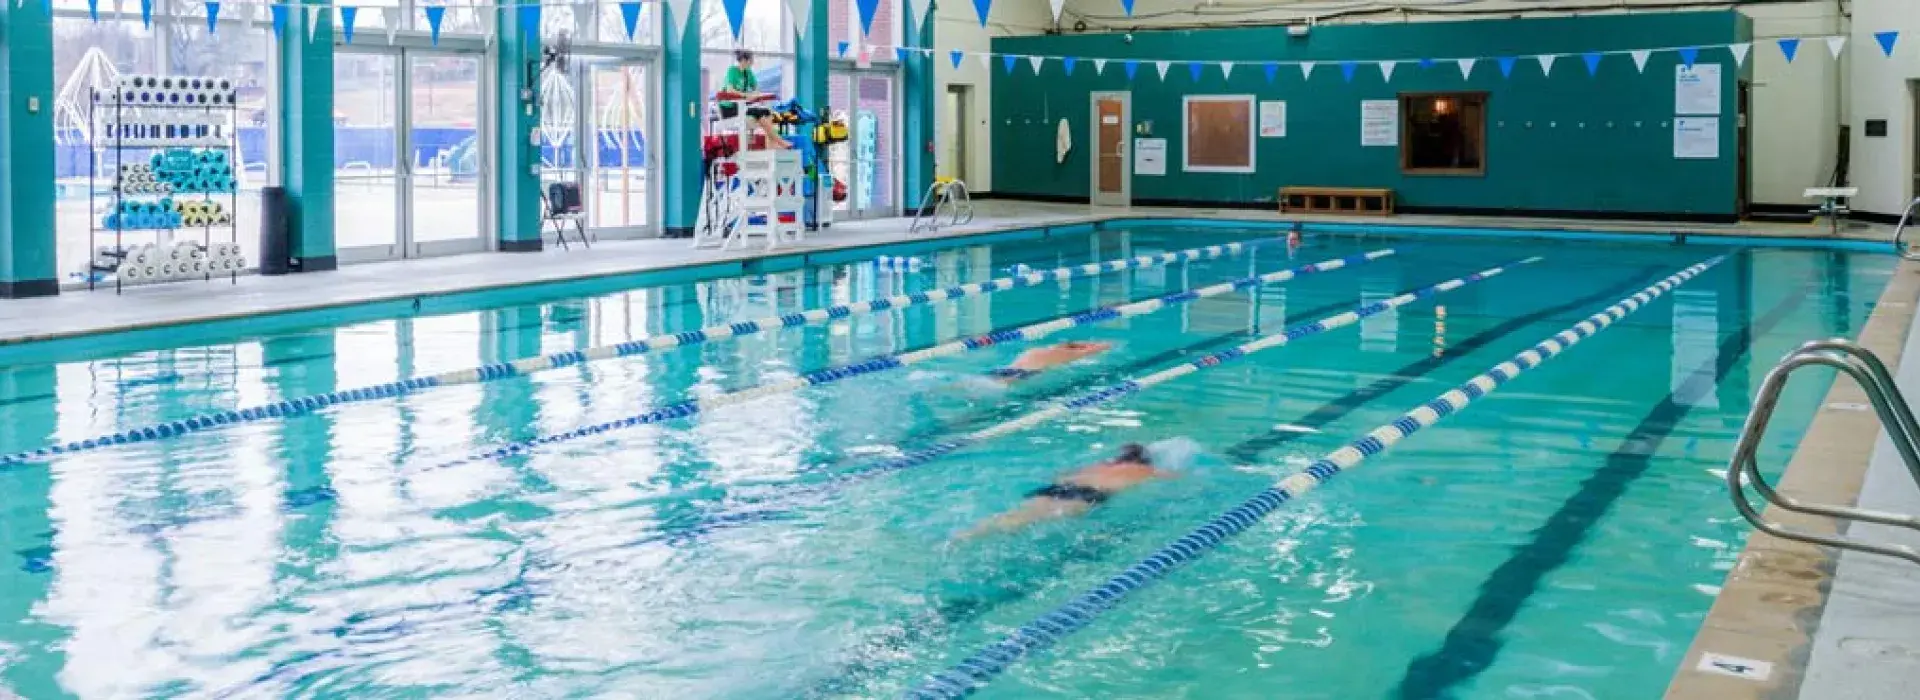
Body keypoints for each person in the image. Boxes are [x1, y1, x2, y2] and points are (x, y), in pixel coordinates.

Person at [958, 442, 1185, 539]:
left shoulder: (1100, 465)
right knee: (1028, 522)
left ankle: (969, 533)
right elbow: (1178, 478)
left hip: (1061, 487)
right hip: (1087, 495)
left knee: (1019, 515)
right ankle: (981, 537)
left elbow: (1061, 475)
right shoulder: (1146, 471)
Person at [718, 50, 790, 149]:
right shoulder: (732, 71)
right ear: (743, 60)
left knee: (766, 112)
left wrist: (753, 95)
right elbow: (730, 90)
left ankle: (772, 144)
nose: (752, 62)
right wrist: (746, 95)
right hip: (728, 110)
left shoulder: (748, 73)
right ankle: (780, 141)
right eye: (751, 60)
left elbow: (756, 89)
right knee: (758, 112)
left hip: (741, 107)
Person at [987, 340, 1113, 384]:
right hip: (1025, 373)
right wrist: (1090, 346)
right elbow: (1105, 345)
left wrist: (1076, 344)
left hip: (1005, 369)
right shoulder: (1070, 355)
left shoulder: (1038, 349)